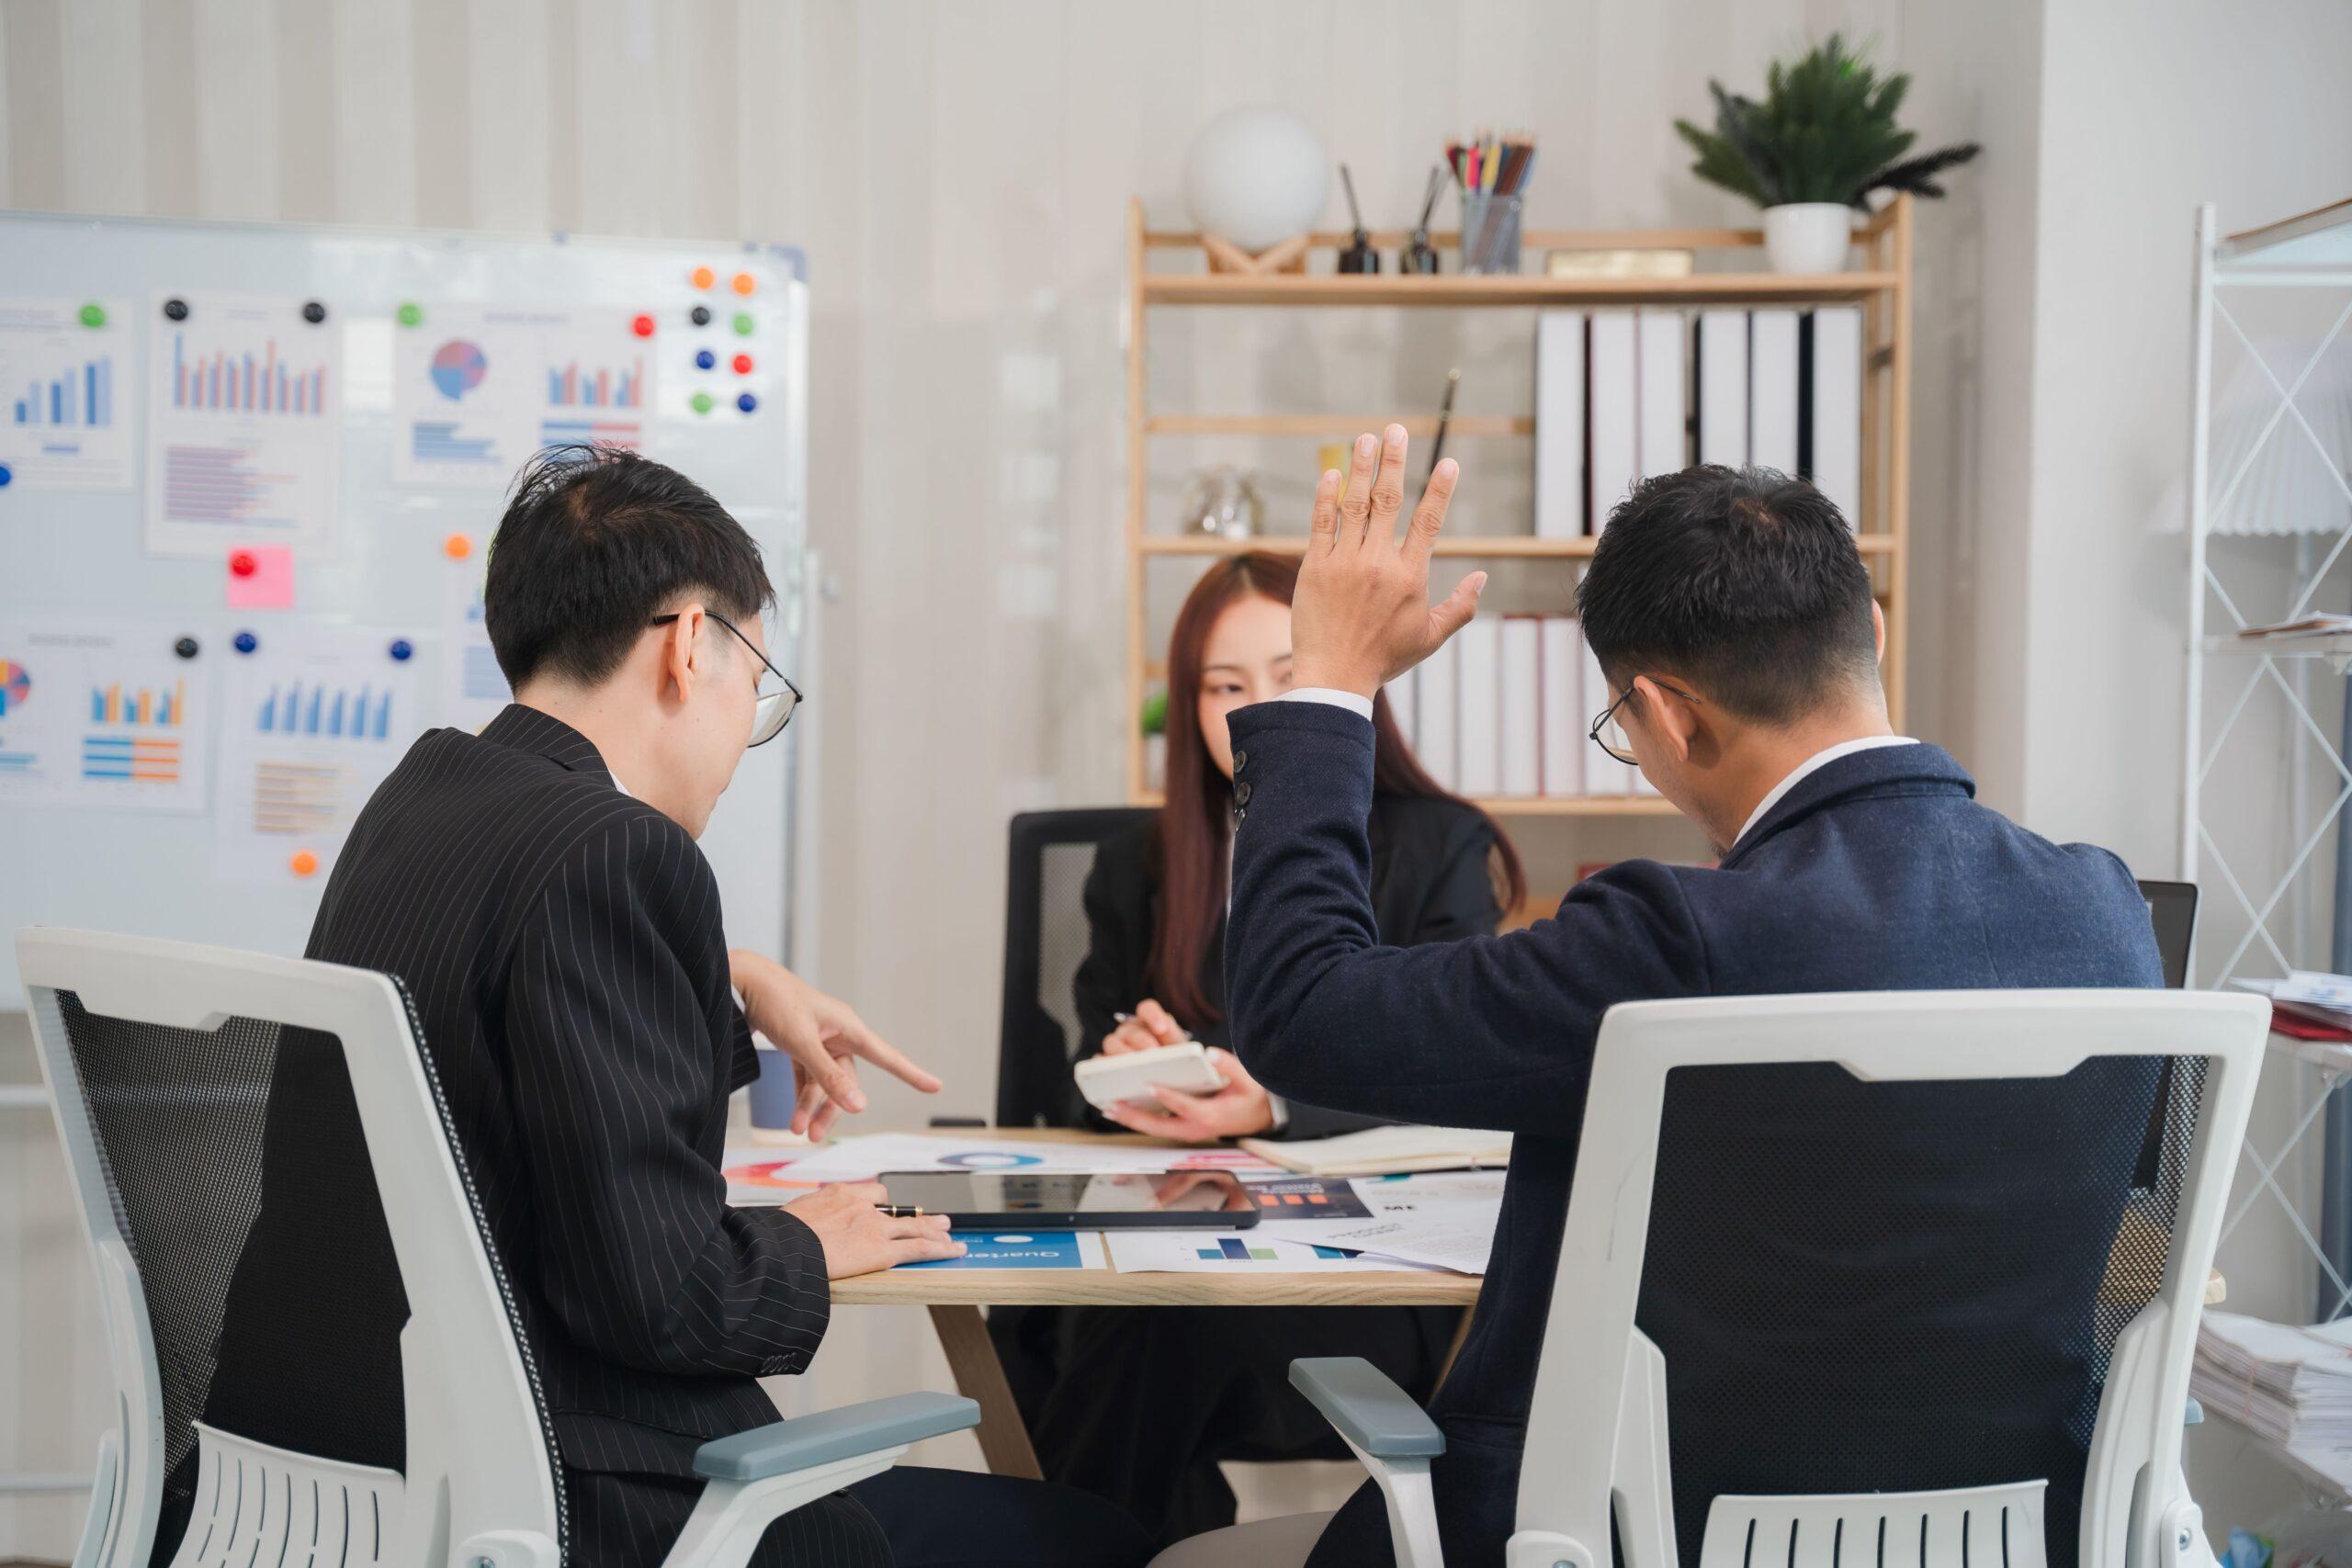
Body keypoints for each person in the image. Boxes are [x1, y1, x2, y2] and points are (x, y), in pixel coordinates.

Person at [1207, 432, 2164, 1568]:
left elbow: (1299, 1008)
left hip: (1617, 1537)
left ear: (1669, 716)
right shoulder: (2105, 914)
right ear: (1874, 635)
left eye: (1625, 732)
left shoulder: (1675, 940)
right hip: (2002, 1541)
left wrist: (1331, 684)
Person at [194, 447, 1151, 1568]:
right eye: (759, 686)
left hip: (342, 1482)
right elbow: (663, 1299)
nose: (748, 730)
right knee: (1088, 1542)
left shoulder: (422, 797)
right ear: (693, 644)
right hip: (569, 1501)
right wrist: (803, 1243)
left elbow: (489, 1017)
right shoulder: (620, 850)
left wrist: (728, 973)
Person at [1004, 550, 1521, 1546]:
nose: (1251, 715)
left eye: (1286, 679)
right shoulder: (1139, 862)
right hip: (1174, 1243)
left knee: (1144, 1334)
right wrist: (1133, 1068)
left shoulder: (1434, 843)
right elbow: (1079, 1080)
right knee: (1081, 1321)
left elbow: (1470, 1071)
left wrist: (1274, 1105)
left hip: (1359, 1275)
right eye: (1224, 688)